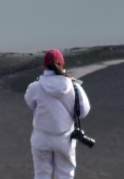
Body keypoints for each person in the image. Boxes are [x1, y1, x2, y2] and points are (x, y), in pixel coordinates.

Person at [24, 49, 91, 179]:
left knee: (41, 174)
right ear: (62, 64)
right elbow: (83, 112)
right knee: (65, 174)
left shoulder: (35, 87)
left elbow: (30, 103)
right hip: (65, 139)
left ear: (44, 66)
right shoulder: (74, 87)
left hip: (41, 137)